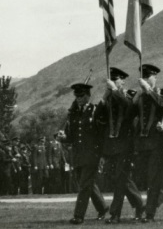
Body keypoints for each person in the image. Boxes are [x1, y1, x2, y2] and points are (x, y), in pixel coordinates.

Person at [57, 83, 108, 224]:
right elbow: (72, 137)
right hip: (78, 155)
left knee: (85, 185)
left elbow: (100, 134)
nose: (79, 98)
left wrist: (101, 154)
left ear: (88, 96)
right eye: (77, 96)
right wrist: (63, 137)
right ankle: (103, 208)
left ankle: (79, 216)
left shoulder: (94, 111)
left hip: (92, 155)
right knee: (86, 183)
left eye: (82, 96)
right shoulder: (74, 114)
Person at [99, 67, 144, 223]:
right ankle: (139, 204)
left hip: (125, 144)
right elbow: (99, 117)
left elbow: (129, 108)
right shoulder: (109, 99)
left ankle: (115, 214)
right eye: (112, 80)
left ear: (122, 81)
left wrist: (114, 91)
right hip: (111, 144)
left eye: (116, 79)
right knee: (119, 178)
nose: (113, 82)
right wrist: (104, 97)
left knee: (120, 178)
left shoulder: (125, 96)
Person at [131, 65, 163, 222]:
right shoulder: (140, 96)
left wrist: (148, 90)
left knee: (153, 179)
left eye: (150, 76)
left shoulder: (161, 93)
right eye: (145, 77)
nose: (147, 79)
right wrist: (136, 98)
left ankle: (149, 214)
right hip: (142, 144)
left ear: (155, 78)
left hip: (157, 144)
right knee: (143, 179)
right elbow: (132, 114)